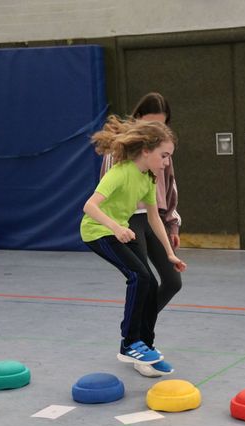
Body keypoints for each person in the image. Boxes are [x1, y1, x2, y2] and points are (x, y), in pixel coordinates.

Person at [80, 115, 187, 376]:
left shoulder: (146, 178)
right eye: (163, 155)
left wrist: (169, 253)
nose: (167, 162)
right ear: (146, 150)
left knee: (149, 281)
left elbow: (154, 218)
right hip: (97, 232)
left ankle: (145, 348)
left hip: (117, 232)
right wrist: (116, 227)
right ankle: (129, 344)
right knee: (139, 276)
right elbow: (89, 206)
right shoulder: (119, 173)